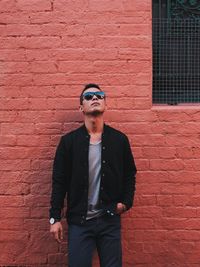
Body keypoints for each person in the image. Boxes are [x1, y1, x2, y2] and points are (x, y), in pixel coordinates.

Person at [49, 83, 137, 267]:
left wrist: (126, 202)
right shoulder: (69, 142)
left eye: (99, 95)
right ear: (81, 107)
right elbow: (59, 182)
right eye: (88, 97)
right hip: (79, 222)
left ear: (106, 104)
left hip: (109, 220)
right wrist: (54, 218)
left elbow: (130, 173)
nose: (95, 98)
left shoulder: (119, 140)